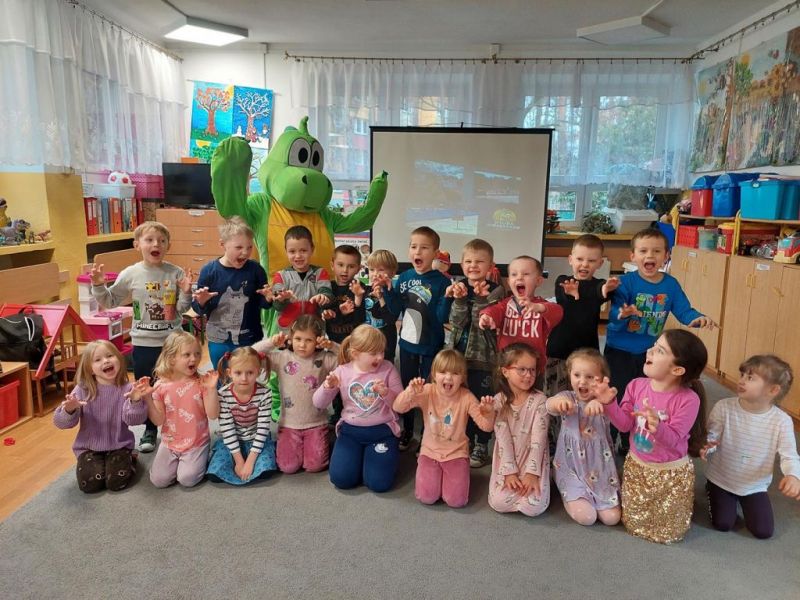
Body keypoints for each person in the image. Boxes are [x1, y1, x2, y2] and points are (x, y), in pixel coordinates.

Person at [604, 227, 715, 454]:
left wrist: (696, 319)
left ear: (666, 256)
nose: (650, 256)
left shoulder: (670, 285)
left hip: (650, 354)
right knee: (618, 394)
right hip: (619, 351)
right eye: (643, 251)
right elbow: (613, 319)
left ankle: (629, 443)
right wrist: (623, 315)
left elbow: (684, 311)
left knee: (644, 397)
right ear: (633, 256)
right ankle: (608, 440)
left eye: (656, 251)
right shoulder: (625, 283)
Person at [594, 329, 708, 544]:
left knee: (671, 531)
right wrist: (609, 403)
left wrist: (658, 426)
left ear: (677, 369)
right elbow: (625, 425)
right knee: (633, 522)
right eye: (654, 345)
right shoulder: (636, 385)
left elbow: (674, 439)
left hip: (670, 475)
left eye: (660, 350)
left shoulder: (689, 399)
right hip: (638, 468)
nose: (650, 351)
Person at [90, 221, 193, 453]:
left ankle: (179, 426)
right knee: (148, 387)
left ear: (168, 246)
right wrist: (98, 285)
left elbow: (182, 309)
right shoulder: (131, 273)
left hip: (173, 343)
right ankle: (150, 429)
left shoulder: (175, 272)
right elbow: (109, 301)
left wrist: (187, 292)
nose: (156, 244)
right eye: (149, 240)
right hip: (144, 343)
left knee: (177, 385)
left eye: (162, 241)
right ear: (137, 245)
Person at [702, 354, 800, 539]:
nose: (741, 381)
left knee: (763, 531)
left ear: (773, 390)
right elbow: (711, 436)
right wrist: (706, 446)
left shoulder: (782, 421)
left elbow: (789, 455)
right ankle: (711, 489)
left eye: (750, 378)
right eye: (742, 375)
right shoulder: (724, 407)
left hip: (754, 485)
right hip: (721, 478)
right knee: (723, 523)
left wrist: (793, 476)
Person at [394, 349, 495, 508]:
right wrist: (409, 392)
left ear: (463, 377)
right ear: (434, 374)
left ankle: (455, 476)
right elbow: (398, 407)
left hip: (456, 454)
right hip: (429, 453)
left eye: (455, 373)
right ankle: (439, 478)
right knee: (426, 497)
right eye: (443, 372)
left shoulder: (467, 397)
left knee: (456, 501)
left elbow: (486, 427)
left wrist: (488, 413)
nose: (448, 377)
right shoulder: (427, 390)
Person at [312, 324, 403, 493]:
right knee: (341, 479)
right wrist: (328, 387)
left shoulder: (388, 368)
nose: (380, 357)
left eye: (382, 352)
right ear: (355, 354)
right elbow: (318, 403)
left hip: (382, 432)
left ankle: (373, 460)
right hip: (350, 432)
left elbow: (401, 405)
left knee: (378, 483)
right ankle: (362, 460)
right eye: (373, 353)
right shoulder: (342, 371)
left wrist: (386, 393)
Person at [53, 340, 150, 493]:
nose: (106, 361)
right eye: (97, 360)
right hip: (89, 448)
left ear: (119, 359)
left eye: (110, 356)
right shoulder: (82, 389)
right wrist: (69, 410)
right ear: (89, 369)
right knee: (90, 485)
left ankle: (131, 458)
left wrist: (135, 401)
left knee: (116, 483)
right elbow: (61, 423)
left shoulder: (128, 388)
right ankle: (107, 464)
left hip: (119, 445)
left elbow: (135, 420)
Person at [252, 315, 338, 474]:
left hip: (316, 423)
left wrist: (331, 345)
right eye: (298, 339)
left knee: (315, 466)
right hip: (288, 425)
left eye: (309, 340)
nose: (302, 345)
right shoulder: (281, 357)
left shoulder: (325, 359)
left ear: (317, 341)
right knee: (288, 467)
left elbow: (348, 359)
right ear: (290, 338)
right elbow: (251, 355)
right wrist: (271, 342)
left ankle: (321, 439)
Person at [447, 238, 505, 468]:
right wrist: (459, 300)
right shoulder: (459, 285)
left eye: (479, 262)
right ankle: (466, 439)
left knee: (483, 401)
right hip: (459, 358)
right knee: (462, 399)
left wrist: (480, 299)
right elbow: (456, 321)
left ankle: (481, 443)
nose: (473, 266)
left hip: (483, 358)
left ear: (490, 265)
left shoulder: (496, 290)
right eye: (468, 261)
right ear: (461, 264)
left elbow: (481, 323)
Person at [546, 348, 620, 526]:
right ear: (569, 375)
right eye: (577, 375)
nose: (582, 381)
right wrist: (559, 403)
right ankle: (564, 484)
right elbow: (549, 405)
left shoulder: (606, 400)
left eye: (590, 377)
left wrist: (604, 404)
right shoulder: (568, 396)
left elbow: (619, 417)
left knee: (612, 519)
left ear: (602, 380)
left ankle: (597, 496)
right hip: (571, 466)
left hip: (599, 468)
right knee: (587, 517)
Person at [395, 226, 453, 451]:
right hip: (407, 345)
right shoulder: (404, 277)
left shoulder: (442, 282)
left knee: (430, 391)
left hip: (431, 346)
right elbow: (395, 310)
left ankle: (427, 433)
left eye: (424, 248)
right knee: (408, 388)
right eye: (413, 246)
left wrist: (447, 298)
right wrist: (386, 291)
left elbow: (441, 318)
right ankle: (408, 429)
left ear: (435, 253)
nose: (417, 251)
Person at [191, 217, 272, 371]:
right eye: (239, 247)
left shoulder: (256, 270)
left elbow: (263, 303)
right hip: (219, 340)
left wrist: (268, 299)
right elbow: (198, 309)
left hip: (249, 338)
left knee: (248, 376)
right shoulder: (209, 271)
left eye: (249, 247)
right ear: (222, 244)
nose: (245, 252)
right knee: (222, 376)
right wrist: (201, 301)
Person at [545, 234, 619, 395]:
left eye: (591, 261)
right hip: (559, 351)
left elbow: (599, 290)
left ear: (600, 263)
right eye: (580, 259)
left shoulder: (598, 285)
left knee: (585, 397)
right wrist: (571, 292)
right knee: (555, 396)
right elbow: (563, 294)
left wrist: (605, 289)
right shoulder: (563, 281)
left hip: (587, 354)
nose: (585, 264)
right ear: (570, 259)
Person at [145, 331, 220, 488]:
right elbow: (158, 420)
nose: (194, 358)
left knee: (187, 479)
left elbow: (213, 415)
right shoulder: (160, 386)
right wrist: (147, 398)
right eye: (187, 354)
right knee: (159, 481)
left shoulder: (202, 383)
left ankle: (204, 454)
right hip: (170, 443)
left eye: (197, 354)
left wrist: (212, 390)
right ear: (171, 358)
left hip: (197, 442)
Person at [486, 343, 550, 516]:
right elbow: (503, 441)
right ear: (505, 371)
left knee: (534, 507)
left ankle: (533, 484)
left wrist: (532, 474)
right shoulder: (498, 401)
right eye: (522, 369)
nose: (528, 375)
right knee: (499, 502)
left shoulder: (541, 400)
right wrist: (509, 473)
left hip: (532, 460)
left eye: (532, 370)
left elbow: (539, 440)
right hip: (508, 461)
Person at [478, 255, 563, 382]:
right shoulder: (505, 305)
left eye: (526, 274)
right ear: (508, 281)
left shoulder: (542, 306)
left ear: (539, 281)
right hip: (507, 368)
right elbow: (494, 310)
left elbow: (557, 312)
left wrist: (539, 307)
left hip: (533, 370)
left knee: (534, 394)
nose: (519, 277)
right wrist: (486, 316)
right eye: (514, 274)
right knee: (503, 393)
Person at [206, 347, 277, 485]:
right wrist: (239, 461)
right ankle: (236, 459)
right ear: (229, 373)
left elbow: (262, 429)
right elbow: (227, 429)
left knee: (267, 469)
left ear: (258, 372)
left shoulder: (265, 393)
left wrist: (250, 461)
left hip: (256, 440)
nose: (244, 378)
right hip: (232, 441)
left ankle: (252, 460)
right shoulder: (223, 394)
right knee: (215, 472)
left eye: (250, 373)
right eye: (238, 373)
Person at [322, 244, 367, 427]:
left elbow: (361, 318)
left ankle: (354, 409)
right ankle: (337, 412)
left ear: (358, 268)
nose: (345, 270)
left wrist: (358, 299)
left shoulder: (359, 288)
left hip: (353, 345)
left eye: (350, 266)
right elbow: (325, 312)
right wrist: (330, 313)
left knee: (353, 379)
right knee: (335, 378)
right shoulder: (327, 287)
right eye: (340, 265)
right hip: (333, 343)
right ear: (332, 264)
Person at [272, 225, 334, 332]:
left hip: (314, 331)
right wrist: (281, 299)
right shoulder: (280, 276)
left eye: (303, 250)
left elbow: (328, 295)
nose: (298, 256)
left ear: (312, 249)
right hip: (287, 331)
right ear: (286, 251)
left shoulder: (320, 273)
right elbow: (277, 306)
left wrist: (324, 297)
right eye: (292, 251)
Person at [363, 249, 401, 362]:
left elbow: (390, 319)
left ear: (392, 273)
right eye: (371, 269)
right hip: (367, 341)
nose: (375, 274)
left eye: (380, 269)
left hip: (386, 344)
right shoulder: (364, 291)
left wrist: (381, 297)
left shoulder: (393, 294)